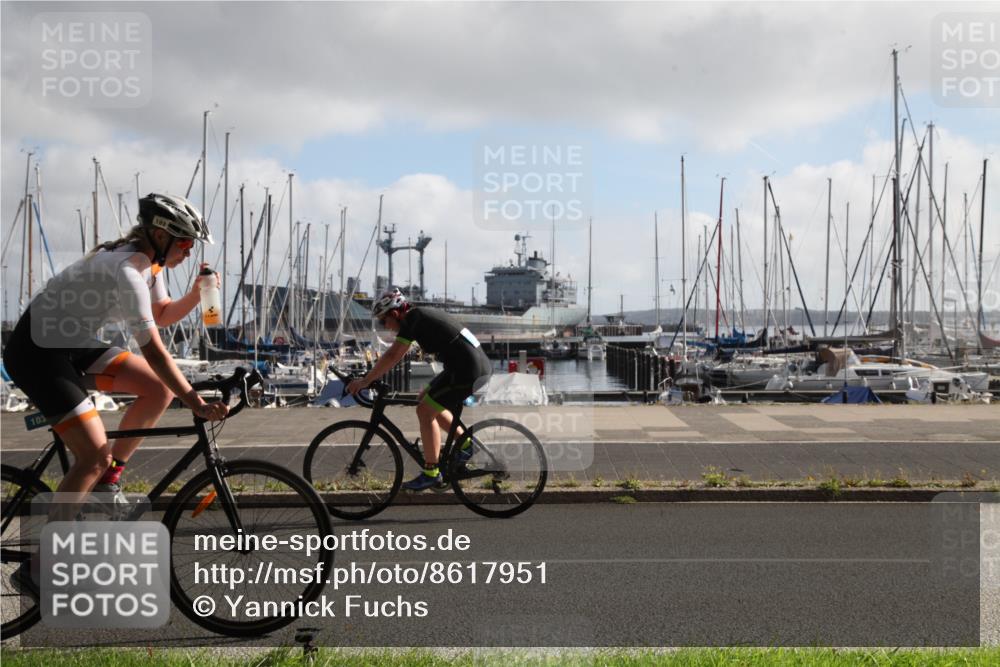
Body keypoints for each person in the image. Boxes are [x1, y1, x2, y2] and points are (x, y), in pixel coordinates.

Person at [5, 193, 229, 596]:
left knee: (156, 390)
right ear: (161, 235)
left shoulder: (150, 266)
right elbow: (154, 350)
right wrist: (194, 401)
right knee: (92, 455)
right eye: (184, 242)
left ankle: (108, 481)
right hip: (37, 351)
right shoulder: (126, 270)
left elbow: (161, 314)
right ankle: (38, 569)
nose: (189, 251)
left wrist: (198, 295)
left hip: (72, 343)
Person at [346, 288, 492, 491]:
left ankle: (431, 473)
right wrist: (370, 378)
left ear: (394, 313)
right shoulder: (416, 317)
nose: (385, 326)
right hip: (462, 366)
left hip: (467, 370)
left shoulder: (412, 320)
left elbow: (393, 355)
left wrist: (365, 380)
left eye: (383, 321)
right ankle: (466, 444)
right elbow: (395, 355)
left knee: (425, 410)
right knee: (425, 398)